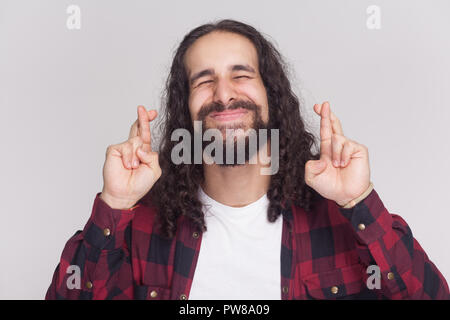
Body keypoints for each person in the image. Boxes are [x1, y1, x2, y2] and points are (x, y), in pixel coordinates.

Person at [46, 19, 449, 300]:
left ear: (271, 97)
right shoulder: (143, 225)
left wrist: (359, 201)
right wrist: (113, 206)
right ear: (185, 109)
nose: (223, 95)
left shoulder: (339, 217)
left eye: (241, 75)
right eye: (204, 80)